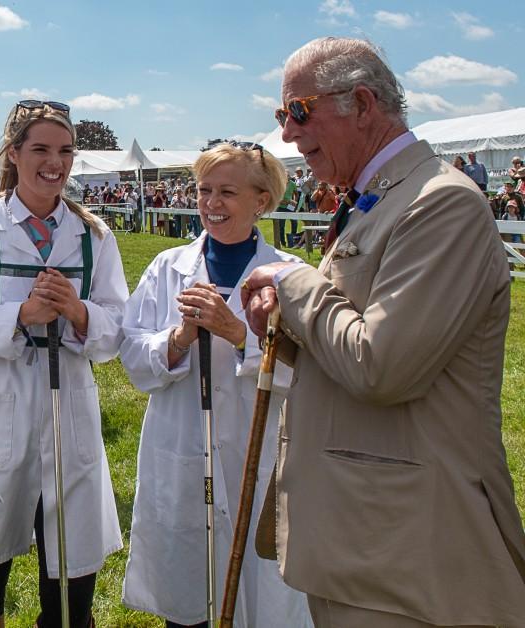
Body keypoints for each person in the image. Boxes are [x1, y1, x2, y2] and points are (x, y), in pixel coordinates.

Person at [243, 37, 525, 627]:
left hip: (406, 555)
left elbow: (381, 367)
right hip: (363, 540)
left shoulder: (440, 203)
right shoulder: (380, 199)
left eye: (297, 111)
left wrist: (293, 284)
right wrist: (287, 328)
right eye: (281, 116)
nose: (288, 134)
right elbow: (354, 343)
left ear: (362, 102)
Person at [118, 143, 309, 628]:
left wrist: (239, 335)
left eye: (227, 191)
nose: (211, 203)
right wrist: (178, 340)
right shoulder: (168, 268)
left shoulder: (292, 274)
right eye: (204, 190)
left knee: (258, 592)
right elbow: (133, 356)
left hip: (256, 447)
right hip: (181, 444)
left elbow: (310, 373)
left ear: (261, 201)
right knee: (187, 589)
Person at [0, 100, 129, 628]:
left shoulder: (94, 236)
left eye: (65, 150)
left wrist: (78, 312)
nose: (55, 162)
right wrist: (21, 315)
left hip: (69, 409)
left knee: (70, 559)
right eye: (40, 149)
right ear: (13, 152)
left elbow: (117, 329)